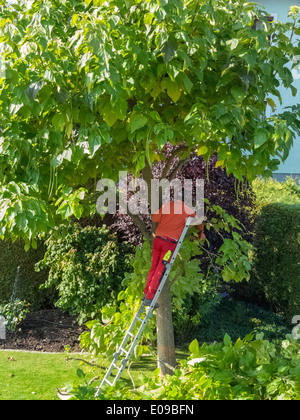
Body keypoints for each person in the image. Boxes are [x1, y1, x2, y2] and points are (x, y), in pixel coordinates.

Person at [142, 199, 205, 307]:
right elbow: (199, 224)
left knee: (154, 267)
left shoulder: (167, 205)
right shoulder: (187, 209)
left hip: (158, 240)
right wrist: (200, 233)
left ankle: (146, 293)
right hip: (169, 244)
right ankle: (149, 297)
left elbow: (155, 218)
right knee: (160, 269)